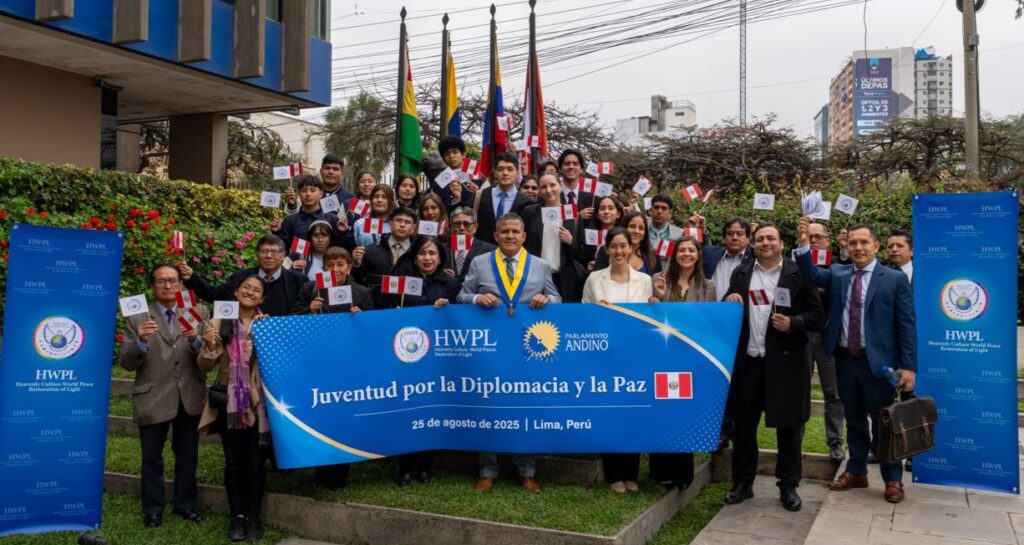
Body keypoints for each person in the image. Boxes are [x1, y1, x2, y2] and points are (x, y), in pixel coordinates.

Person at [793, 218, 917, 504]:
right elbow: (810, 274)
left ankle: (893, 478)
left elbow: (907, 325)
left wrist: (909, 367)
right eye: (853, 243)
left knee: (885, 421)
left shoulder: (895, 279)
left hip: (881, 365)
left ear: (876, 246)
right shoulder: (837, 273)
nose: (858, 247)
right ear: (846, 247)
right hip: (845, 361)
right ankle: (857, 470)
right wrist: (802, 243)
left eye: (864, 242)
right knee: (854, 419)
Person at [722, 223, 823, 513]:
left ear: (781, 242)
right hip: (749, 362)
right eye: (760, 239)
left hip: (787, 363)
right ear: (753, 244)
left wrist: (794, 324)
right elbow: (729, 308)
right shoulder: (741, 273)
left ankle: (788, 485)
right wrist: (729, 299)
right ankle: (743, 482)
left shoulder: (798, 273)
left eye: (771, 238)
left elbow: (817, 315)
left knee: (789, 427)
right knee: (744, 427)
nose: (765, 243)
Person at [457, 213, 561, 492]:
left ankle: (526, 470)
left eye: (516, 231)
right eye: (505, 231)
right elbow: (461, 296)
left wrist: (546, 299)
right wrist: (477, 298)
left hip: (528, 349)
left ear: (524, 236)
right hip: (490, 349)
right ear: (496, 235)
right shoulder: (480, 263)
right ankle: (488, 470)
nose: (510, 236)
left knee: (525, 407)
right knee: (488, 406)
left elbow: (558, 298)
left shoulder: (539, 266)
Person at [119, 265, 208, 528]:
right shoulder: (137, 316)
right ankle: (153, 509)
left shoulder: (197, 311)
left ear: (181, 284)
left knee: (187, 456)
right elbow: (126, 362)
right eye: (161, 282)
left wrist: (195, 341)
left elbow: (208, 356)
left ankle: (186, 504)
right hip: (153, 396)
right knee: (151, 458)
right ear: (153, 286)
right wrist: (141, 342)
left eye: (172, 281)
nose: (167, 286)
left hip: (188, 396)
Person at [580, 228, 655, 493]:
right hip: (605, 357)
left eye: (624, 246)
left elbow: (651, 320)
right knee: (610, 412)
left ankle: (631, 473)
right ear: (607, 249)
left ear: (631, 247)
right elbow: (584, 317)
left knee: (632, 413)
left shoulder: (645, 280)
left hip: (635, 357)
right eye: (614, 246)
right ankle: (614, 474)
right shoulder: (594, 279)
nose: (619, 251)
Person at [198, 275, 271, 542]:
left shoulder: (267, 324)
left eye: (256, 290)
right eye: (246, 288)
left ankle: (253, 518)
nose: (250, 292)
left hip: (259, 405)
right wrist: (208, 343)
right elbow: (204, 367)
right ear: (236, 292)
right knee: (233, 462)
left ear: (262, 298)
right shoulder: (220, 321)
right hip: (230, 403)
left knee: (254, 464)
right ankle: (237, 517)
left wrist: (268, 336)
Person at [648, 236, 713, 490]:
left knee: (684, 414)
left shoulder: (708, 286)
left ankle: (683, 473)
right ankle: (661, 471)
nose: (686, 254)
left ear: (698, 255)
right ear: (674, 255)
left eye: (691, 250)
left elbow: (707, 323)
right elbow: (655, 318)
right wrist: (659, 298)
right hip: (663, 357)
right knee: (662, 412)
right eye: (681, 250)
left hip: (691, 360)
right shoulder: (659, 280)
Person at [801, 221, 846, 463]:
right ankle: (794, 439)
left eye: (819, 236)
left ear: (828, 240)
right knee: (799, 389)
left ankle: (835, 442)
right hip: (803, 335)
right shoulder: (797, 263)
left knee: (834, 393)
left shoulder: (839, 265)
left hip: (829, 337)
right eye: (810, 237)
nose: (815, 240)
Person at [180, 234, 306, 317]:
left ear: (283, 255)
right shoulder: (240, 276)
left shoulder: (298, 280)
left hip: (282, 341)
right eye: (264, 251)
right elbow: (215, 294)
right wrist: (192, 278)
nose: (269, 256)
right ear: (256, 255)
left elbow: (303, 311)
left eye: (274, 252)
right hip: (242, 339)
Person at [523, 173, 586, 302]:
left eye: (552, 185)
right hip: (535, 278)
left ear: (561, 186)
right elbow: (523, 243)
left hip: (565, 279)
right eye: (544, 187)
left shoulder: (572, 214)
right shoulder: (530, 212)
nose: (549, 190)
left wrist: (571, 241)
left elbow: (582, 253)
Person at [352, 207, 419, 307]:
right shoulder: (370, 250)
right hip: (375, 308)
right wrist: (356, 264)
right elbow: (357, 280)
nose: (402, 225)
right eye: (398, 220)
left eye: (407, 222)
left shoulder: (418, 252)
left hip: (408, 309)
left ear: (413, 228)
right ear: (390, 224)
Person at [272, 174, 349, 253]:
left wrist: (343, 232)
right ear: (299, 194)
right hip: (298, 264)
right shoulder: (289, 220)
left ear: (321, 193)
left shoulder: (332, 219)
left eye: (313, 190)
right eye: (304, 191)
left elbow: (340, 248)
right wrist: (277, 232)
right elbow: (283, 248)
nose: (308, 194)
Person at [292, 246, 373, 315]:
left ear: (349, 268)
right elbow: (294, 317)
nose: (335, 269)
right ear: (324, 268)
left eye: (340, 265)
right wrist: (309, 310)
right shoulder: (308, 289)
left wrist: (362, 316)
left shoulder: (363, 292)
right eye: (329, 265)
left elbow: (370, 323)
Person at [474, 152, 534, 245]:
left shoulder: (528, 203)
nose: (505, 173)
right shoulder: (479, 196)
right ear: (495, 172)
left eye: (510, 169)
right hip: (483, 255)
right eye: (500, 169)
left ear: (517, 172)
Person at [703, 216, 754, 301]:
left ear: (748, 238)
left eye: (740, 234)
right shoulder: (709, 253)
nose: (734, 237)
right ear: (724, 238)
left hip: (740, 311)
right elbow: (691, 251)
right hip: (708, 310)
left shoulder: (754, 259)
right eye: (730, 234)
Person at [284, 154, 355, 215]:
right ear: (321, 171)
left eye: (335, 169)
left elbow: (358, 221)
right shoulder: (307, 192)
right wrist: (292, 205)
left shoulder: (350, 197)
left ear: (342, 174)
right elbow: (296, 217)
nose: (331, 172)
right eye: (327, 168)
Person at [594, 211, 661, 274]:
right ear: (624, 228)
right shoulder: (606, 251)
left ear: (645, 233)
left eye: (641, 228)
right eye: (632, 226)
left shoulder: (653, 255)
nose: (636, 231)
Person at [445, 207, 496, 280]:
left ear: (475, 227)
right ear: (451, 226)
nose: (462, 228)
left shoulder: (489, 250)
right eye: (457, 224)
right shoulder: (442, 249)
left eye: (467, 224)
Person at [582, 195, 625, 271]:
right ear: (598, 214)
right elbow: (584, 258)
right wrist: (589, 265)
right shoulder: (590, 235)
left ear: (618, 214)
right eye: (602, 208)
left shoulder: (624, 235)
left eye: (611, 208)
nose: (606, 211)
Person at [435, 135, 475, 207]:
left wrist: (479, 194)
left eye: (455, 152)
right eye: (447, 154)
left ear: (463, 154)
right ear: (443, 158)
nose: (451, 156)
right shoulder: (439, 182)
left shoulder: (476, 173)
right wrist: (456, 199)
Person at [647, 194, 683, 269]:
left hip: (667, 277)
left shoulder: (680, 234)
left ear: (670, 213)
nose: (659, 211)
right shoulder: (641, 230)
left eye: (664, 208)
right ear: (650, 210)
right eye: (656, 207)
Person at [557, 148, 595, 214]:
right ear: (560, 169)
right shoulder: (553, 195)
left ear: (581, 169)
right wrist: (578, 217)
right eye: (567, 164)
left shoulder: (592, 197)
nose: (571, 167)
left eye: (575, 164)